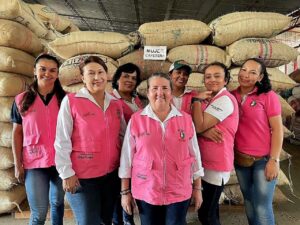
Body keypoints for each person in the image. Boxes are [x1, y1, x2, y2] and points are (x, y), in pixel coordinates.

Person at [119, 72, 204, 225]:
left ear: (171, 92)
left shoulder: (185, 119)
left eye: (165, 88)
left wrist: (198, 189)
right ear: (148, 92)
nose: (160, 93)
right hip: (147, 190)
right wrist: (125, 192)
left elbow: (195, 155)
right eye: (155, 88)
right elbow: (126, 159)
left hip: (179, 189)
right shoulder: (137, 120)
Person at [54, 56, 126, 225]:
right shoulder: (72, 101)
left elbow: (122, 136)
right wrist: (66, 173)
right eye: (91, 73)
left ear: (107, 75)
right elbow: (62, 139)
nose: (96, 77)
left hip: (111, 175)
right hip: (82, 178)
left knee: (106, 220)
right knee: (88, 221)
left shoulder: (115, 103)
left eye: (100, 72)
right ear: (82, 77)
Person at [11, 54, 65, 225]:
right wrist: (17, 163)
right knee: (39, 212)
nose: (47, 74)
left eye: (52, 70)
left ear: (57, 74)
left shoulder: (65, 100)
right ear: (34, 71)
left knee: (57, 203)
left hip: (61, 161)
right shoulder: (21, 100)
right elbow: (17, 133)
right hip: (34, 162)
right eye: (42, 69)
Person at [231, 58, 283, 225]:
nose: (246, 75)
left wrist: (274, 160)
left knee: (262, 206)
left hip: (263, 160)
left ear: (260, 77)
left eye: (252, 72)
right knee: (248, 201)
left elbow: (277, 129)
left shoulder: (268, 96)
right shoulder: (231, 96)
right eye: (244, 70)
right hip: (240, 160)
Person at [192, 62, 239, 225]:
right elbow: (198, 125)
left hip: (216, 164)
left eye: (217, 76)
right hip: (208, 162)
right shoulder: (212, 98)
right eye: (208, 76)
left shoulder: (225, 99)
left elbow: (198, 125)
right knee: (210, 211)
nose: (212, 80)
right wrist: (203, 130)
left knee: (207, 214)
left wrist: (196, 100)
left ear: (226, 80)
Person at [111, 63, 143, 225]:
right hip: (117, 155)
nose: (130, 80)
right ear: (117, 78)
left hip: (134, 155)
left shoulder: (136, 100)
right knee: (120, 196)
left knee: (128, 194)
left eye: (133, 78)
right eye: (126, 76)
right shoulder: (110, 99)